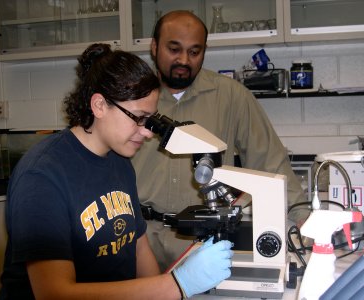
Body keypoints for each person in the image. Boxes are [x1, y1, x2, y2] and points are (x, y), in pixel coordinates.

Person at [0, 43, 233, 300]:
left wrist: (168, 287)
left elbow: (138, 249)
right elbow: (54, 294)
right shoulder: (41, 176)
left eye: (150, 120)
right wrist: (177, 285)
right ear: (99, 105)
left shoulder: (119, 161)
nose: (146, 132)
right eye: (139, 118)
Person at [131, 10, 306, 271]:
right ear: (154, 47)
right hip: (138, 236)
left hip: (200, 239)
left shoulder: (231, 96)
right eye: (174, 49)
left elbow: (270, 161)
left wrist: (302, 218)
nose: (183, 60)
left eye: (194, 51)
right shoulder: (132, 96)